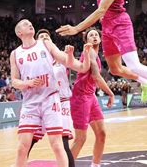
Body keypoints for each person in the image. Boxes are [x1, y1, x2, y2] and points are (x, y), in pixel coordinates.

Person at [10, 19, 92, 167]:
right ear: (19, 33)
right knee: (22, 147)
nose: (30, 24)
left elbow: (74, 65)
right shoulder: (15, 54)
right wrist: (26, 83)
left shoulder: (46, 44)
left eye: (30, 22)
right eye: (25, 23)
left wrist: (71, 55)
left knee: (57, 145)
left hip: (50, 99)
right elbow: (14, 81)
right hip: (30, 103)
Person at [29, 29, 75, 167]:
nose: (44, 38)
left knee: (63, 142)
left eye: (47, 36)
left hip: (61, 102)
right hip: (43, 102)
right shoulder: (33, 60)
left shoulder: (60, 56)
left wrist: (70, 55)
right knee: (28, 140)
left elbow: (72, 64)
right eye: (41, 37)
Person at [70, 28, 115, 167]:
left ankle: (95, 165)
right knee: (80, 139)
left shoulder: (96, 53)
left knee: (101, 134)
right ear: (86, 40)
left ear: (100, 39)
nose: (94, 36)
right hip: (80, 97)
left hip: (91, 96)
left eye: (96, 35)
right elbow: (95, 76)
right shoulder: (89, 51)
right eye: (91, 35)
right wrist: (111, 93)